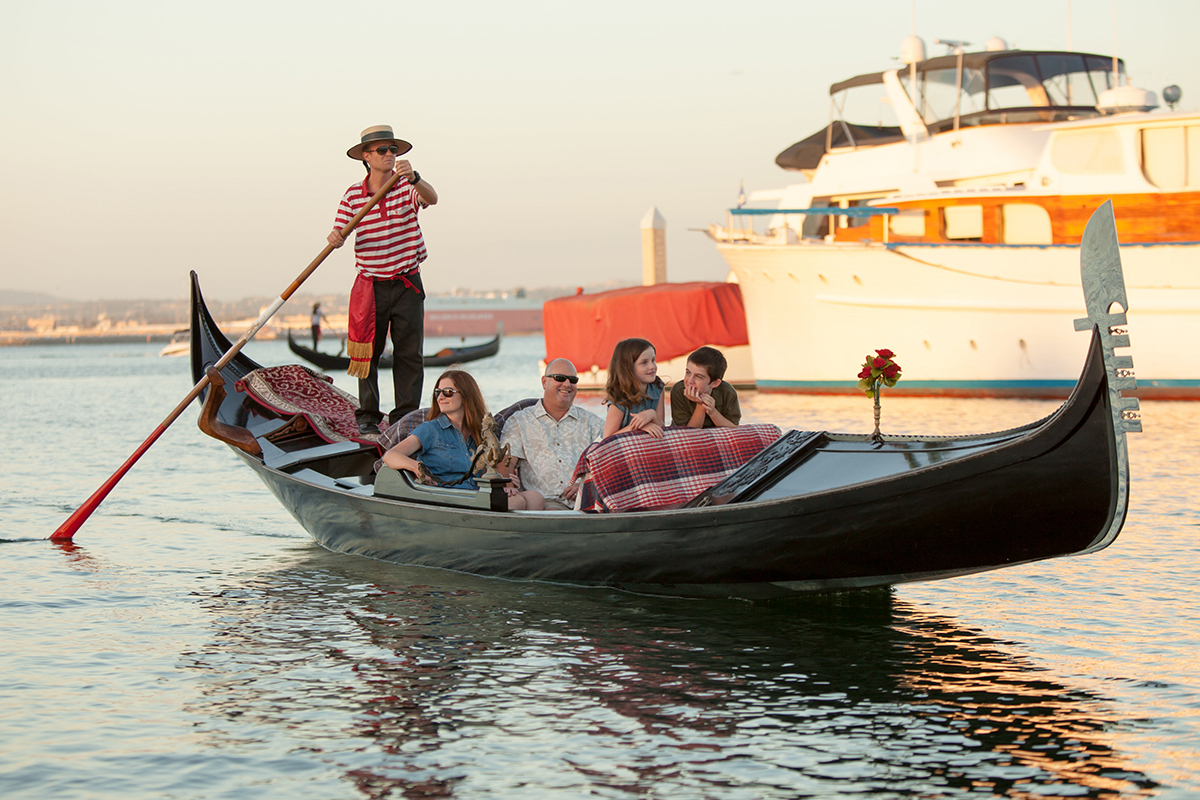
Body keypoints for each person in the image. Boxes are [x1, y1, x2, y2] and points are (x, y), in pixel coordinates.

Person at [328, 125, 438, 435]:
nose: (390, 155)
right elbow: (339, 232)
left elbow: (433, 198)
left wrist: (414, 176)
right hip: (371, 286)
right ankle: (367, 417)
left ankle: (405, 417)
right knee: (368, 353)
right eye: (382, 150)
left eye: (393, 150)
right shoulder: (352, 194)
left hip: (407, 283)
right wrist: (336, 237)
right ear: (366, 156)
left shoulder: (406, 185)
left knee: (409, 354)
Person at [381, 370, 544, 510]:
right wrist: (416, 466)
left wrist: (506, 482)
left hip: (477, 494)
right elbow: (390, 456)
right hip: (447, 498)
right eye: (438, 392)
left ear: (466, 395)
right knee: (515, 502)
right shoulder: (430, 429)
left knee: (535, 498)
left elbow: (488, 473)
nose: (441, 397)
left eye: (448, 392)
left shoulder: (483, 433)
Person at [499, 358, 605, 510]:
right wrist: (508, 484)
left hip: (587, 502)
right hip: (543, 504)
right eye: (560, 378)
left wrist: (586, 486)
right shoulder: (520, 421)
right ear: (544, 382)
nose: (567, 384)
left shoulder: (593, 423)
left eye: (573, 380)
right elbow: (504, 465)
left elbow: (609, 463)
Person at [602, 338, 666, 439]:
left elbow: (661, 428)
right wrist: (639, 426)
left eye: (653, 360)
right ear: (628, 367)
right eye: (644, 362)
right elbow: (607, 438)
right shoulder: (620, 397)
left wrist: (652, 414)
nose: (652, 366)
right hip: (622, 449)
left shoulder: (658, 387)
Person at [669, 346, 742, 429]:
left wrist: (713, 412)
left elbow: (734, 429)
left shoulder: (727, 393)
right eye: (688, 373)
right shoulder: (678, 391)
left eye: (698, 377)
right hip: (685, 437)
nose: (690, 381)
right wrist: (700, 406)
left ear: (714, 383)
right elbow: (689, 433)